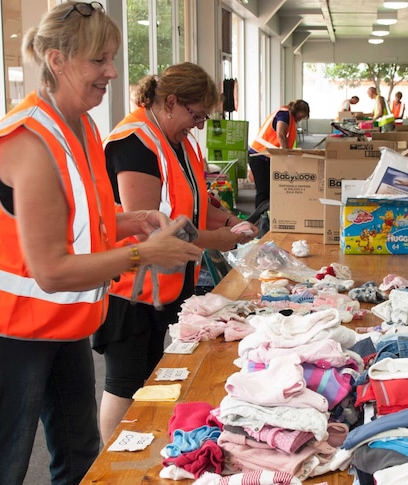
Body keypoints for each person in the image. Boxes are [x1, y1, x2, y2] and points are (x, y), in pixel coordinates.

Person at [0, 3, 203, 484]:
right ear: (57, 60)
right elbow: (49, 268)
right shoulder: (26, 142)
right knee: (0, 462)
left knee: (80, 452)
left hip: (64, 322)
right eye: (100, 60)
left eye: (112, 58)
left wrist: (132, 221)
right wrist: (144, 253)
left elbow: (80, 216)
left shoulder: (83, 126)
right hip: (8, 331)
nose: (112, 71)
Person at [93, 63, 258, 441]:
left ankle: (138, 454)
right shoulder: (133, 144)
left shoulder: (178, 142)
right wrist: (220, 241)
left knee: (151, 378)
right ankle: (112, 467)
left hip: (164, 287)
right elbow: (153, 229)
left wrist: (230, 220)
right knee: (125, 383)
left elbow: (196, 200)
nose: (199, 125)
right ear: (171, 102)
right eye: (195, 115)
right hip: (130, 291)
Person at [248, 99, 310, 209]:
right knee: (263, 191)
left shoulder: (288, 117)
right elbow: (280, 134)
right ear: (298, 110)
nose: (301, 119)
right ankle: (259, 219)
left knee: (269, 189)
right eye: (302, 115)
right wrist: (287, 156)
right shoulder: (284, 114)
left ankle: (266, 217)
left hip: (265, 156)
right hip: (259, 156)